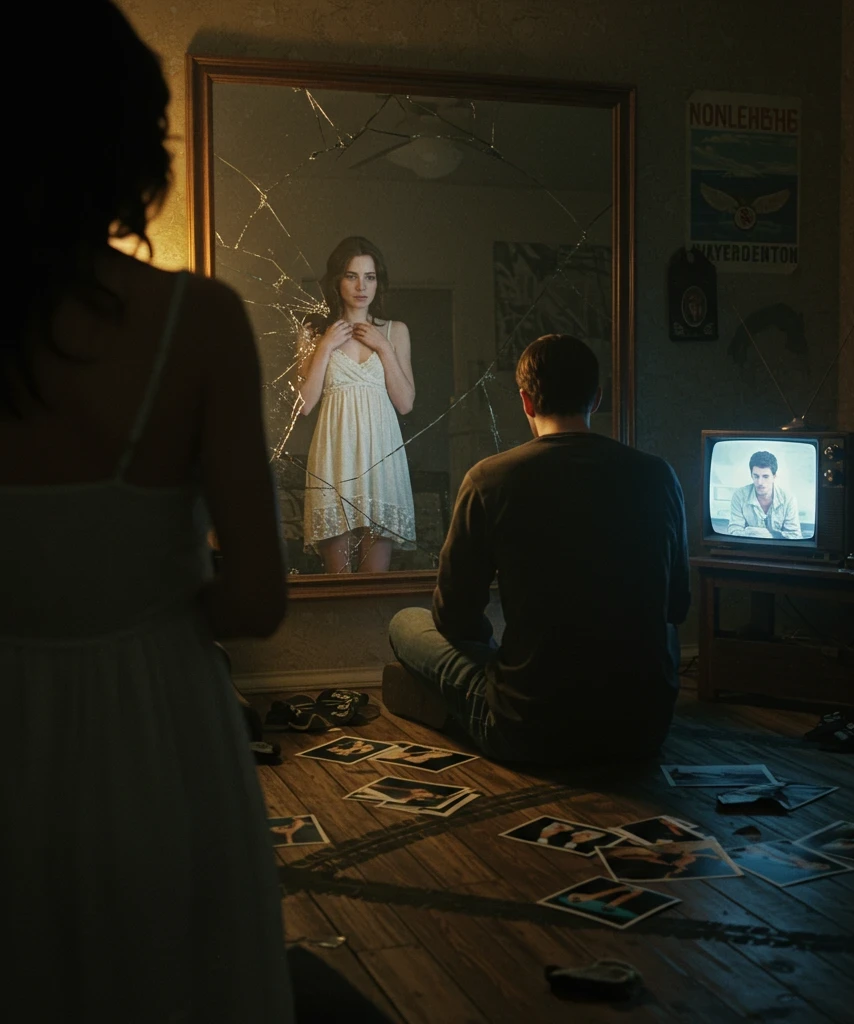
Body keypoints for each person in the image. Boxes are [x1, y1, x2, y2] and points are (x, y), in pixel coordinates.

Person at [0, 4, 294, 1019]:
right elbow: (257, 598)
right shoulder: (198, 324)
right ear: (130, 138)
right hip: (152, 732)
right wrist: (137, 605)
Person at [385, 333, 690, 765]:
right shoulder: (660, 476)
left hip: (531, 731)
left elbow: (454, 617)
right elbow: (676, 607)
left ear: (526, 401)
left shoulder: (489, 479)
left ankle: (499, 694)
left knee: (406, 622)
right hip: (642, 731)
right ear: (597, 398)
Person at [297, 236, 416, 574]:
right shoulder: (313, 331)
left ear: (379, 281)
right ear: (337, 280)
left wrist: (384, 347)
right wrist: (325, 346)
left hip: (381, 455)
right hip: (336, 454)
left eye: (370, 277)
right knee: (337, 581)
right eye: (352, 276)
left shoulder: (395, 331)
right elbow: (304, 405)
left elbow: (405, 403)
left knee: (374, 582)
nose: (362, 286)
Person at [728, 450, 802, 539]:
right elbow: (733, 531)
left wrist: (769, 535)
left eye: (765, 477)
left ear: (774, 477)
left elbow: (795, 536)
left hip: (779, 551)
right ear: (751, 475)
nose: (760, 482)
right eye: (756, 476)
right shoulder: (739, 495)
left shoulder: (789, 499)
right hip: (747, 550)